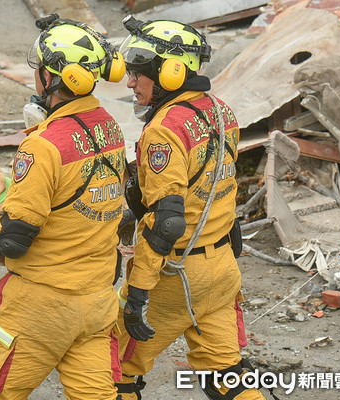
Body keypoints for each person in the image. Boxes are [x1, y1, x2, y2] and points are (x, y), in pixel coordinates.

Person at [0, 14, 128, 400]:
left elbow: (12, 241)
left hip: (42, 306)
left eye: (39, 70)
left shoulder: (44, 144)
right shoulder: (110, 127)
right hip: (97, 301)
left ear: (53, 77)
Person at [113, 16, 267, 400]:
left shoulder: (164, 129)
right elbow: (217, 188)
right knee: (227, 377)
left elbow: (166, 222)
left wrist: (138, 293)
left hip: (175, 275)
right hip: (221, 270)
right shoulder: (220, 110)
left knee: (108, 370)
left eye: (138, 73)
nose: (130, 82)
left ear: (170, 71)